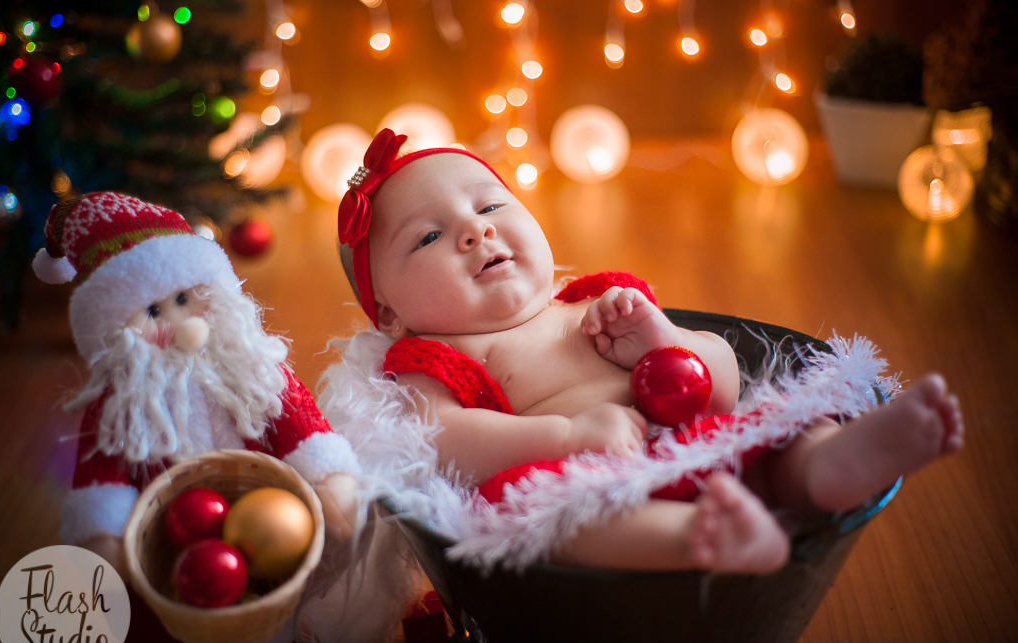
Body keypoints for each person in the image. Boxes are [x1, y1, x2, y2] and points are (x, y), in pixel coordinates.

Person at [334, 129, 964, 574]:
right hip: (591, 482)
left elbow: (722, 379)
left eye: (492, 204)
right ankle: (703, 539)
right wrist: (564, 439)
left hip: (702, 440)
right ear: (388, 313)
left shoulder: (600, 305)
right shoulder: (439, 361)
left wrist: (667, 342)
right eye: (431, 237)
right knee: (536, 518)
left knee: (787, 426)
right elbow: (442, 442)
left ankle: (834, 466)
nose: (477, 229)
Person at [33, 192, 361, 643]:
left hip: (258, 543)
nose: (179, 325)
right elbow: (100, 479)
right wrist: (105, 538)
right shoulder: (117, 405)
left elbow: (299, 424)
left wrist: (330, 479)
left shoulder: (252, 370)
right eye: (152, 312)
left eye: (186, 299)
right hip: (165, 564)